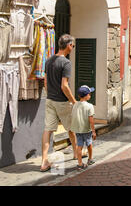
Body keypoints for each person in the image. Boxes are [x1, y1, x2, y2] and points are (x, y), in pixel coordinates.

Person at [40, 34, 77, 172]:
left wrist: (50, 94)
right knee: (71, 128)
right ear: (68, 46)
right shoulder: (66, 63)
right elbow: (64, 86)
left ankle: (44, 161)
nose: (72, 48)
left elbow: (45, 82)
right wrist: (74, 102)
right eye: (72, 46)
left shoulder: (49, 60)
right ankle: (76, 153)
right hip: (61, 101)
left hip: (49, 99)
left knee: (47, 129)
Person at [71, 85, 96, 170]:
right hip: (87, 129)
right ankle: (90, 159)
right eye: (89, 94)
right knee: (89, 144)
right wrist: (93, 131)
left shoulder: (75, 105)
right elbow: (91, 120)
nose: (90, 95)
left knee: (79, 146)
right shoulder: (90, 106)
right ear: (86, 96)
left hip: (78, 130)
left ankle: (80, 163)